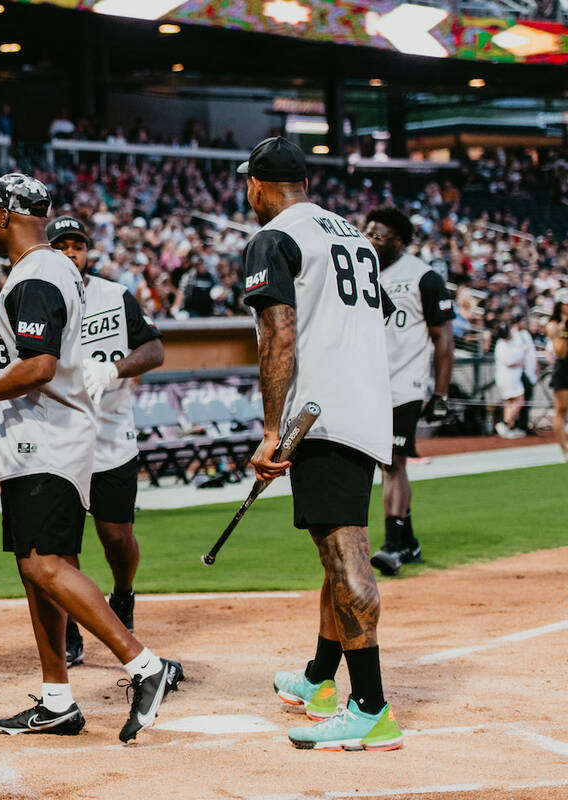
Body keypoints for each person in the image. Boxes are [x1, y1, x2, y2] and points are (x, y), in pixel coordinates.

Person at [0, 174, 182, 743]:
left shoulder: (39, 275)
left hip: (43, 439)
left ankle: (144, 666)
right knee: (39, 570)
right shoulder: (43, 272)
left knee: (45, 566)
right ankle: (57, 699)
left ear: (4, 217)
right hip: (45, 438)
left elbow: (38, 366)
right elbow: (5, 315)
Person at [237, 137, 403, 751]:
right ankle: (318, 681)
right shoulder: (353, 236)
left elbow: (277, 336)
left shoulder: (274, 236)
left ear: (257, 184)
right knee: (336, 555)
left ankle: (371, 708)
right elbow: (375, 316)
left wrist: (271, 430)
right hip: (361, 410)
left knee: (347, 559)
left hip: (319, 418)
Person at [46, 215, 165, 666]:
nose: (71, 253)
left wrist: (114, 368)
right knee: (63, 543)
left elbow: (155, 349)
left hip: (112, 434)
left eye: (77, 246)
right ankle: (72, 625)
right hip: (59, 437)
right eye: (61, 246)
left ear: (88, 252)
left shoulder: (115, 295)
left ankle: (123, 592)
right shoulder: (39, 297)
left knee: (116, 536)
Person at [363, 208, 454, 576]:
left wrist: (441, 395)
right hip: (370, 383)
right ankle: (410, 542)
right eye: (366, 231)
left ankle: (393, 546)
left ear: (399, 241)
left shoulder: (423, 277)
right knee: (387, 463)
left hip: (406, 384)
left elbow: (443, 339)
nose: (370, 239)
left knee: (392, 462)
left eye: (379, 235)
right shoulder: (359, 272)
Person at [492, 319, 530, 439]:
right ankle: (505, 424)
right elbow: (509, 361)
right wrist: (521, 361)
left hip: (512, 377)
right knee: (519, 400)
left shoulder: (509, 342)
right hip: (508, 378)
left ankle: (508, 426)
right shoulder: (501, 345)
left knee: (510, 402)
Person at [547, 289, 568, 463]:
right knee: (561, 410)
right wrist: (564, 332)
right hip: (564, 368)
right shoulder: (554, 325)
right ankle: (564, 451)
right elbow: (560, 352)